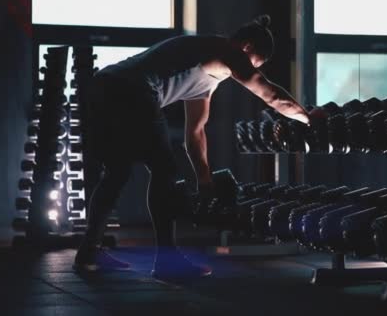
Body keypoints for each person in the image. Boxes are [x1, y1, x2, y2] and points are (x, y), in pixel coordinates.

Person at [73, 15, 311, 279]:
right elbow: (272, 96)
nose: (250, 69)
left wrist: (204, 181)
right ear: (246, 48)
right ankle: (167, 260)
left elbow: (195, 134)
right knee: (165, 173)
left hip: (105, 85)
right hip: (131, 90)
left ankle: (89, 253)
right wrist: (310, 119)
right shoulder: (225, 50)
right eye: (255, 64)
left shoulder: (208, 78)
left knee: (117, 173)